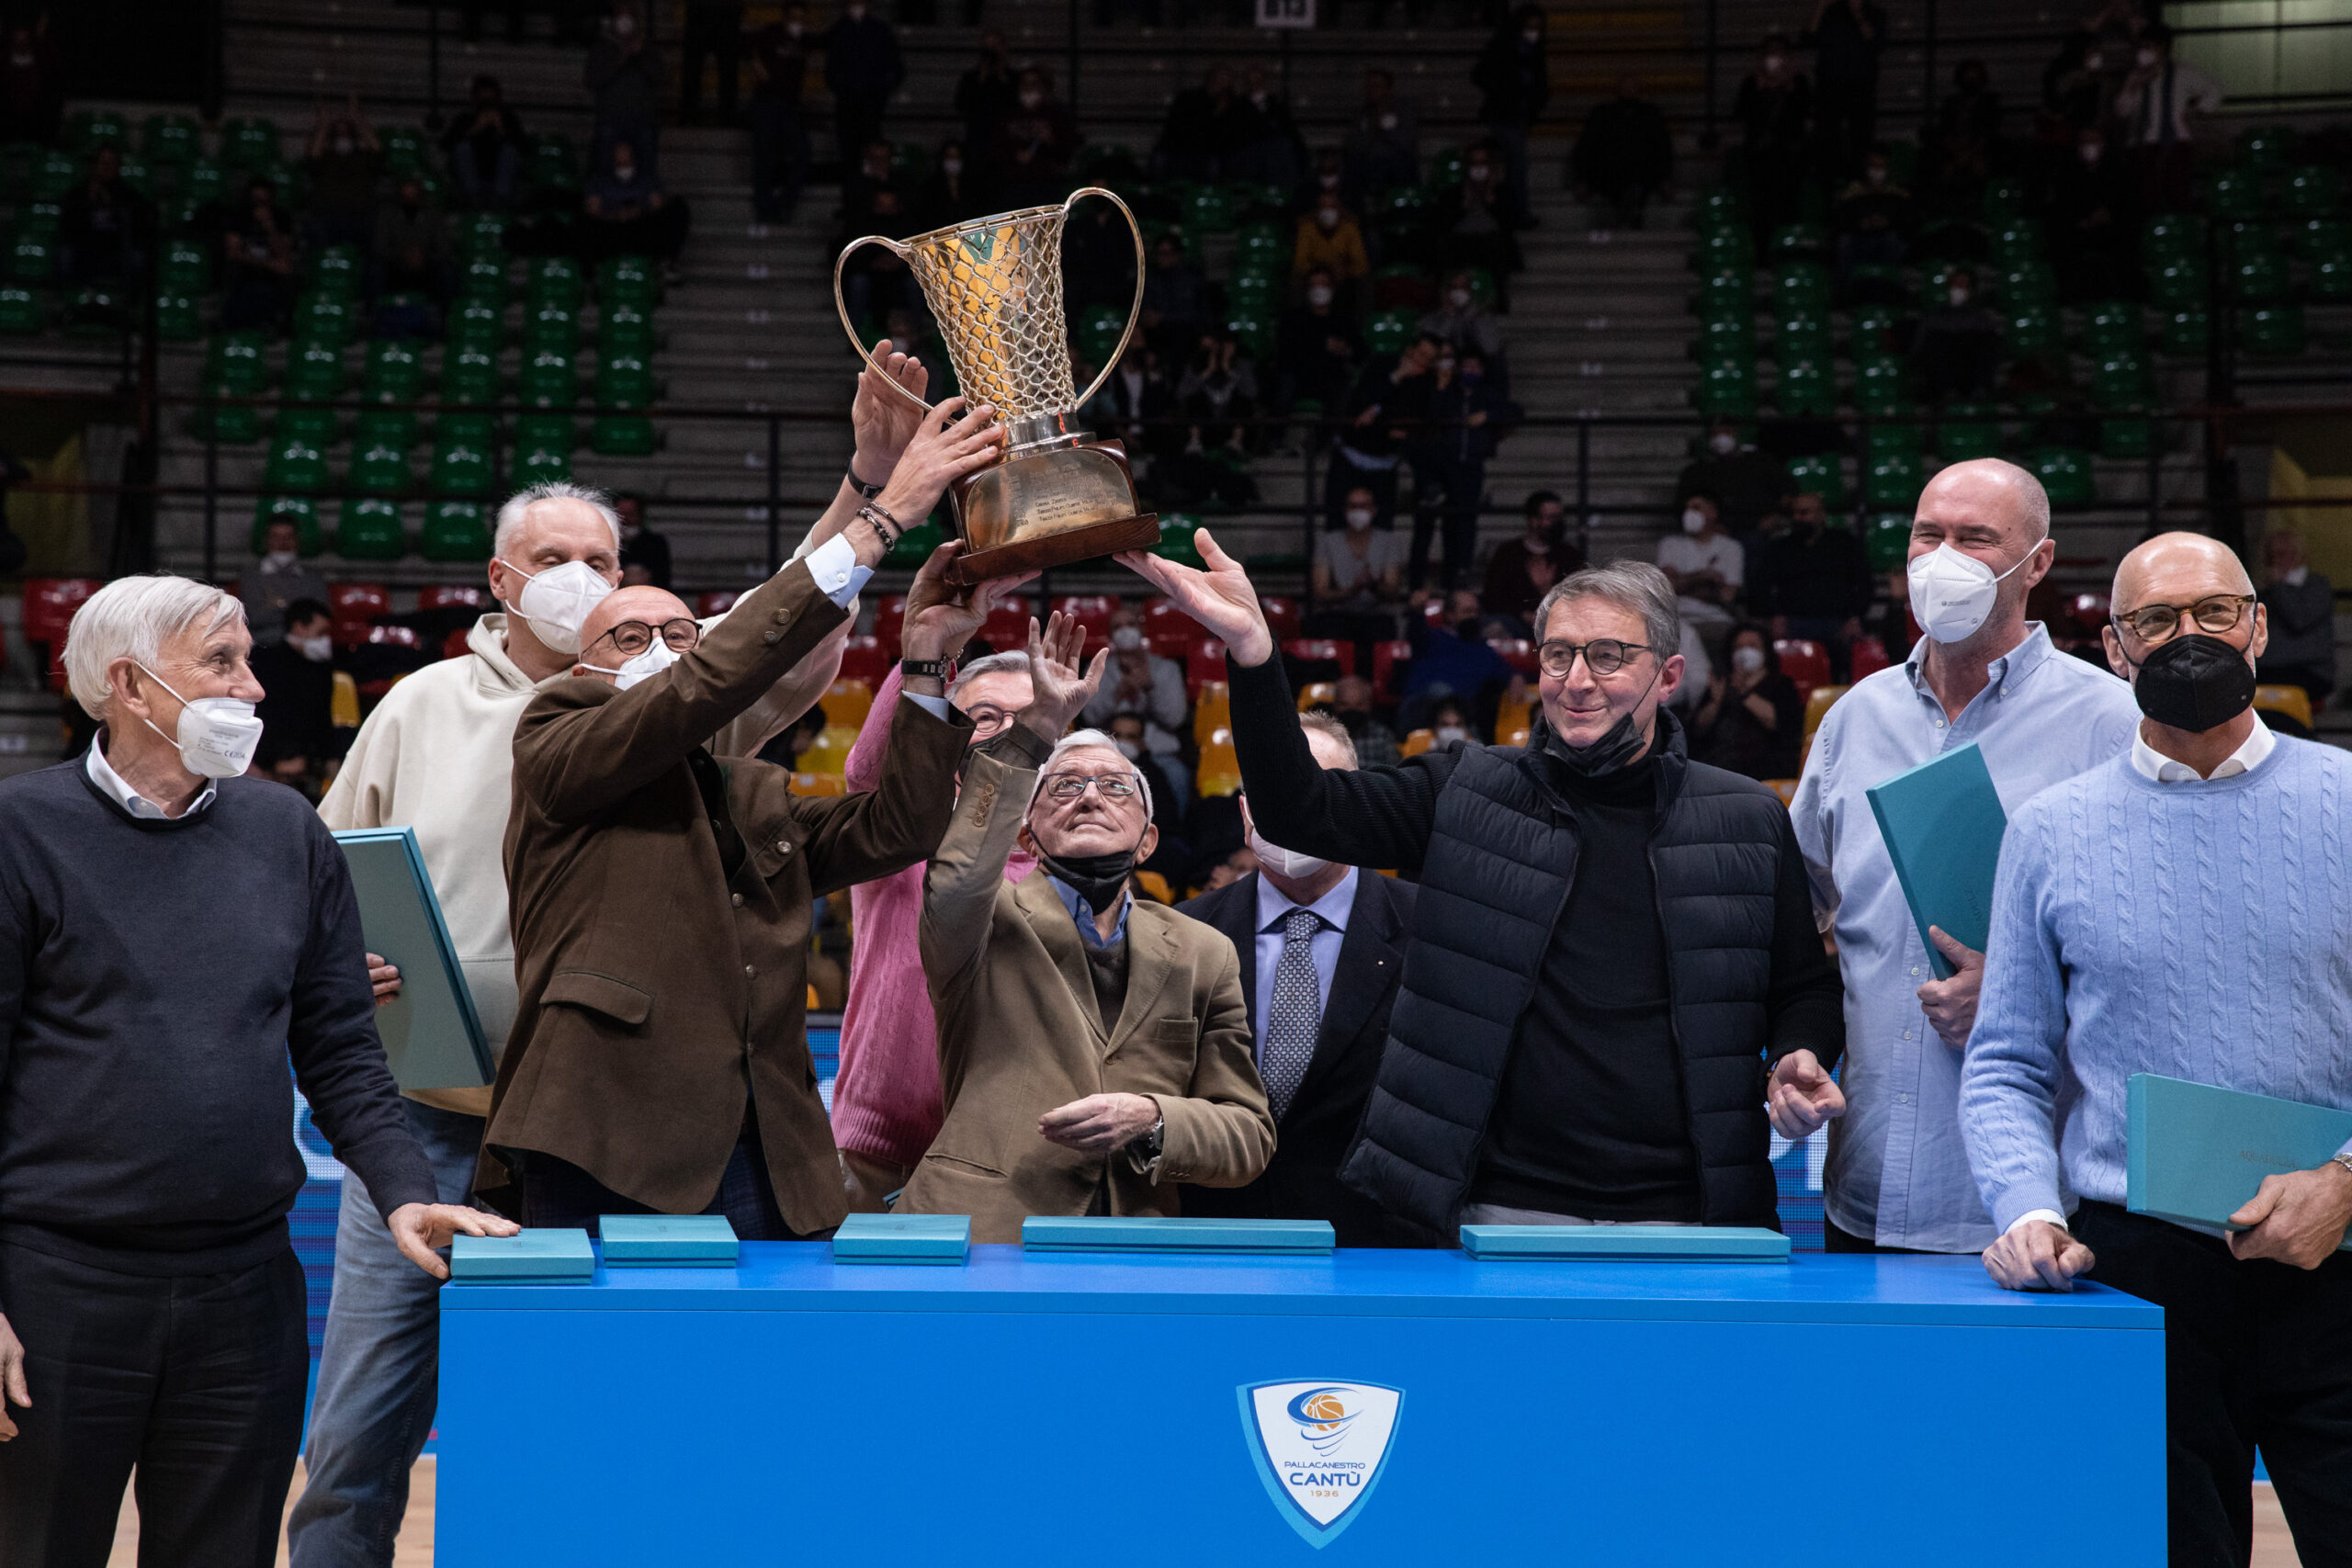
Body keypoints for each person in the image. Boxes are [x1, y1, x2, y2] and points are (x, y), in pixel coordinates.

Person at [289, 356, 934, 1568]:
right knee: (362, 1425)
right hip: (422, 1118)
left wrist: (866, 484)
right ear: (500, 579)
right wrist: (334, 960)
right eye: (554, 559)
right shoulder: (420, 702)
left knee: (591, 1408)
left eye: (604, 555)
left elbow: (782, 628)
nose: (584, 579)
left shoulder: (685, 697)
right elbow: (313, 877)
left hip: (600, 1130)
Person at [0, 575, 514, 1567]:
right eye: (223, 663)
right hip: (58, 1287)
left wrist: (406, 1190)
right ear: (133, 686)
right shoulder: (20, 831)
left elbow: (340, 1046)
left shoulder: (286, 831)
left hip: (245, 1289)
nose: (256, 688)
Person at [1128, 537, 1845, 1235]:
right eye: (1558, 654)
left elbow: (1802, 986)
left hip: (1696, 1211)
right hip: (1500, 1211)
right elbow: (1299, 812)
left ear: (1669, 674)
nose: (1577, 678)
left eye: (1608, 655)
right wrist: (1255, 654)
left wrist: (1798, 1051)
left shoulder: (1747, 816)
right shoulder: (1467, 791)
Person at [480, 400, 1010, 1235]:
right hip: (603, 1131)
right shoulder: (552, 736)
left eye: (682, 633)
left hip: (766, 1144)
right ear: (582, 667)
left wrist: (929, 656)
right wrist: (876, 524)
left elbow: (901, 829)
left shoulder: (752, 789)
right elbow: (701, 688)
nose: (660, 647)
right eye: (628, 637)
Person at [1962, 530, 2352, 1568]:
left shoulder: (2347, 802)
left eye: (2212, 612)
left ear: (2258, 628)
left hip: (2339, 1255)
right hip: (2136, 1272)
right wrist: (2026, 1208)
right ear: (2112, 651)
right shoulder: (2048, 831)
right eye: (2153, 621)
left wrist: (2347, 1183)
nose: (2188, 637)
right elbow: (2004, 1061)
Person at [1789, 460, 2139, 1254]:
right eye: (1927, 535)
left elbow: (2171, 962)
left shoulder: (2112, 727)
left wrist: (2025, 1004)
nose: (1941, 559)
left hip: (2042, 1213)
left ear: (2037, 563)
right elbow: (1800, 923)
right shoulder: (1852, 721)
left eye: (1975, 539)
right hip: (1865, 1197)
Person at [898, 616, 1274, 1242]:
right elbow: (962, 872)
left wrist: (1153, 1116)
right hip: (986, 1236)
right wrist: (1040, 728)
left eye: (1117, 786)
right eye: (1066, 786)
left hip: (1135, 1249)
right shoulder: (980, 921)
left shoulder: (1205, 953)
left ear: (1149, 839)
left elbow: (1248, 1133)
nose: (1090, 796)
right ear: (1026, 833)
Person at [1176, 713, 1418, 1246]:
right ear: (1245, 812)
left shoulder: (1429, 930)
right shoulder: (1182, 930)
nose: (1290, 805)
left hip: (1377, 1246)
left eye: (1314, 787)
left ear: (1358, 804)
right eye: (1271, 786)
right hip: (1213, 1236)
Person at [831, 651, 1038, 1211]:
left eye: (1032, 718)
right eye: (986, 717)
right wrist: (932, 651)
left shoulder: (1075, 863)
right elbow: (867, 773)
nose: (1007, 736)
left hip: (1014, 1157)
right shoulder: (901, 838)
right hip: (878, 1150)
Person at [1413, 346, 1515, 592]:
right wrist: (1441, 386)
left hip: (1471, 466)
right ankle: (1438, 576)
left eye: (1475, 367)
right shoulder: (1449, 392)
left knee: (1465, 520)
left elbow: (1513, 411)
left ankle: (1461, 571)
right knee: (1444, 521)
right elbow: (1431, 416)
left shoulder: (1487, 394)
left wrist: (1487, 416)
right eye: (1466, 365)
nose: (1470, 370)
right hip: (1442, 465)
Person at [1751, 491, 1874, 676]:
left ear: (1820, 514)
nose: (1798, 518)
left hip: (1837, 621)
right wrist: (1775, 615)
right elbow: (1760, 585)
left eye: (1805, 513)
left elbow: (1864, 582)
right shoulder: (1780, 548)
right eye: (1795, 513)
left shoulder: (1843, 543)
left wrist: (1855, 616)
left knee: (1847, 657)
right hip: (1792, 621)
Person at [2114, 23, 2221, 216]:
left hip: (2176, 143)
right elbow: (2121, 111)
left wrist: (2195, 111)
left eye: (2148, 46)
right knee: (2145, 201)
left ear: (2162, 47)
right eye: (2141, 47)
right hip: (2142, 145)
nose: (2143, 51)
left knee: (2178, 196)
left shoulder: (2183, 72)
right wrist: (2133, 85)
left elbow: (2214, 89)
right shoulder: (2135, 76)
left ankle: (2180, 237)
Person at [1687, 622, 1802, 781]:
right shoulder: (1721, 685)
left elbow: (1780, 724)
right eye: (1738, 647)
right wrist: (1715, 702)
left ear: (1766, 652)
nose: (1745, 651)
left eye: (1752, 646)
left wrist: (1744, 693)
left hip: (1766, 769)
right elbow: (1698, 729)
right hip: (1719, 767)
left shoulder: (1782, 685)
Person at [251, 597, 340, 788]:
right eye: (321, 633)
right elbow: (262, 717)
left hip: (306, 766)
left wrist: (330, 763)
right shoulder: (264, 663)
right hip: (264, 765)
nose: (326, 640)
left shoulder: (323, 669)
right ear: (299, 627)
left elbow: (323, 720)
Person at [2042, 127, 2137, 304]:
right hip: (2076, 232)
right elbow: (2059, 208)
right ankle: (2072, 295)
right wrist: (2083, 221)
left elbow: (2128, 205)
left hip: (2110, 232)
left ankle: (2120, 297)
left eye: (2094, 141)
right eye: (2085, 142)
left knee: (2125, 242)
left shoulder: (2118, 172)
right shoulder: (2066, 172)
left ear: (2103, 145)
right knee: (2060, 240)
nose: (2089, 146)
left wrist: (2109, 215)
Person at [1080, 603, 1187, 755]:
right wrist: (1117, 694)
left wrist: (1150, 688)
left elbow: (1175, 719)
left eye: (1131, 624)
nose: (1125, 630)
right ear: (1110, 635)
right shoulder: (1097, 668)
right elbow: (1090, 718)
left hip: (1159, 752)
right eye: (1117, 626)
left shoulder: (1167, 669)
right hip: (1108, 753)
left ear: (1142, 629)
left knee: (1176, 776)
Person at [1473, 6, 1548, 221]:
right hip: (1503, 115)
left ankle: (1511, 210)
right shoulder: (1502, 47)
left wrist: (1536, 105)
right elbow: (1480, 74)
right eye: (1529, 27)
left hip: (1521, 117)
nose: (1532, 32)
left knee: (1515, 163)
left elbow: (1540, 86)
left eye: (1537, 28)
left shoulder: (1536, 52)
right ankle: (1518, 211)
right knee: (1517, 163)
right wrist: (1502, 91)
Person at [1571, 75, 1674, 230]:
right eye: (1625, 87)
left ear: (1640, 91)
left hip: (1643, 172)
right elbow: (1586, 147)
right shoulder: (1602, 113)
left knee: (1637, 183)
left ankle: (1627, 213)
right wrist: (1582, 180)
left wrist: (1666, 178)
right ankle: (1629, 213)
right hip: (1609, 171)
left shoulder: (1651, 114)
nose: (1628, 91)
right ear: (1616, 90)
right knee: (1620, 181)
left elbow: (1663, 148)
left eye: (1633, 87)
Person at [1736, 36, 1814, 236]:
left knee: (1789, 205)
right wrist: (1759, 90)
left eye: (1779, 52)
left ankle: (1787, 253)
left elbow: (1808, 111)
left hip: (1791, 155)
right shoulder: (1751, 84)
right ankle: (1762, 255)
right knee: (1761, 207)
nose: (1774, 57)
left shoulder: (1799, 83)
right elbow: (1739, 114)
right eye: (1770, 52)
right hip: (1760, 156)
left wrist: (1790, 88)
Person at [823, 0, 905, 186]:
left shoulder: (879, 30)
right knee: (849, 150)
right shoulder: (838, 30)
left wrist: (881, 89)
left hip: (872, 104)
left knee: (872, 147)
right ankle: (853, 191)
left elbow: (896, 68)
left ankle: (873, 189)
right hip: (847, 104)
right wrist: (843, 90)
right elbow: (831, 71)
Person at [1803, 0, 1886, 180]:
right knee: (1827, 139)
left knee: (1861, 140)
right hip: (1830, 86)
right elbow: (1808, 38)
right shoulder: (1832, 13)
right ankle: (1830, 185)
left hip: (1861, 87)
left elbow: (1876, 45)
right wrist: (1821, 7)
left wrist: (1858, 14)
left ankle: (1858, 185)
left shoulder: (1875, 14)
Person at [745, 4, 812, 223]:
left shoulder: (802, 39)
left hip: (791, 106)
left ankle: (784, 205)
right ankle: (764, 211)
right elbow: (753, 55)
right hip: (767, 102)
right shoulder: (770, 34)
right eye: (793, 16)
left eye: (800, 17)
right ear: (785, 16)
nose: (796, 21)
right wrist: (764, 76)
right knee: (764, 157)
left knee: (802, 155)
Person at [579, 139, 690, 269]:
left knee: (677, 208)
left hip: (640, 230)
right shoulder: (598, 181)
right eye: (619, 162)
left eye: (627, 160)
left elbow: (658, 207)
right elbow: (593, 210)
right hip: (611, 230)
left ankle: (666, 265)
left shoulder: (647, 180)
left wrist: (638, 212)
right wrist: (617, 215)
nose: (623, 165)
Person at [1436, 141, 1524, 305]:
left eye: (1483, 163)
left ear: (1490, 166)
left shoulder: (1502, 192)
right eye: (1474, 163)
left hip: (1490, 241)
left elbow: (1512, 223)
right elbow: (1443, 223)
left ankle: (1498, 300)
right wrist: (1464, 204)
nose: (1478, 168)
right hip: (1460, 241)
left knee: (1498, 247)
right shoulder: (1454, 192)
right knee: (1442, 248)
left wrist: (1491, 200)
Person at [2256, 526, 2335, 708]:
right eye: (2272, 555)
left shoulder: (2317, 586)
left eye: (2283, 554)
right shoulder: (2265, 592)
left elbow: (2299, 620)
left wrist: (2279, 587)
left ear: (2299, 555)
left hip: (2308, 670)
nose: (2277, 560)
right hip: (2269, 668)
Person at [585, 1, 663, 181]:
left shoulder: (647, 47)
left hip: (643, 121)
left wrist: (641, 55)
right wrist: (620, 60)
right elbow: (591, 80)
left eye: (628, 15)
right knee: (605, 172)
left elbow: (660, 77)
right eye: (621, 14)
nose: (625, 19)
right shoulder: (602, 47)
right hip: (610, 121)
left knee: (646, 172)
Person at [1675, 419, 1792, 538]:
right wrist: (1711, 526)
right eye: (1715, 434)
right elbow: (1683, 506)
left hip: (1761, 533)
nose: (1721, 437)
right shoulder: (1695, 472)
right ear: (1708, 439)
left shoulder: (1763, 462)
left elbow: (1788, 494)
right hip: (1714, 535)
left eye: (1727, 432)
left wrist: (1776, 516)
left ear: (1736, 434)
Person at [58, 147, 151, 299]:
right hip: (86, 248)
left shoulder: (128, 194)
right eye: (103, 162)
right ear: (95, 166)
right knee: (65, 254)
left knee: (138, 257)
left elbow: (139, 226)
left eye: (111, 163)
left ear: (118, 167)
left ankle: (130, 306)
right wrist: (89, 202)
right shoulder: (78, 193)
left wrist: (114, 205)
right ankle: (66, 302)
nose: (106, 167)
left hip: (117, 250)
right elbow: (68, 227)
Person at [1479, 491, 1580, 628]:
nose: (1556, 524)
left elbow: (1579, 599)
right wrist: (1522, 614)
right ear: (1533, 520)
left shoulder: (1570, 555)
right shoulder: (1508, 553)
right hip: (1517, 623)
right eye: (1551, 518)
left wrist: (1547, 591)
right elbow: (1492, 598)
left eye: (1558, 518)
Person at [303, 95, 384, 256]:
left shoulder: (363, 156)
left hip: (360, 217)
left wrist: (356, 117)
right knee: (315, 230)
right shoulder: (325, 157)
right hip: (327, 216)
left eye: (346, 132)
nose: (343, 136)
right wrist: (324, 122)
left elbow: (378, 150)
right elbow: (312, 156)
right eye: (339, 133)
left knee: (376, 245)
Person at [1276, 265, 1361, 415]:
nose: (1319, 290)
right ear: (1307, 290)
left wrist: (1346, 350)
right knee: (1283, 384)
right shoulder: (1294, 318)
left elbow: (1361, 350)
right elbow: (1286, 349)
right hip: (1300, 376)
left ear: (1333, 288)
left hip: (1332, 376)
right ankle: (1277, 436)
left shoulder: (1344, 319)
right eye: (1314, 285)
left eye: (1323, 285)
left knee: (1348, 388)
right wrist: (1321, 345)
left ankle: (1335, 436)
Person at [241, 513, 333, 649]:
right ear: (267, 540)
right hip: (264, 646)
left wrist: (278, 604)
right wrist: (297, 613)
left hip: (306, 645)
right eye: (276, 537)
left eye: (289, 537)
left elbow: (320, 617)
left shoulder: (314, 577)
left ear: (297, 540)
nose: (283, 543)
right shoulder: (251, 577)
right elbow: (254, 618)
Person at [370, 177, 451, 330]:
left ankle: (444, 323)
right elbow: (379, 247)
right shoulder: (387, 216)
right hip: (396, 268)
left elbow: (444, 249)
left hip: (426, 267)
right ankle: (375, 320)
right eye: (406, 196)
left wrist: (423, 256)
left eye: (413, 195)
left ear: (421, 197)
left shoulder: (434, 216)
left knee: (446, 273)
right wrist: (402, 256)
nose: (410, 200)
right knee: (376, 270)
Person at [1656, 491, 1743, 631]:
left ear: (1712, 513)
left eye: (1696, 508)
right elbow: (1667, 588)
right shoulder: (1670, 544)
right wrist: (1703, 577)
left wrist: (1682, 583)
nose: (1689, 513)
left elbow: (1727, 595)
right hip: (1677, 620)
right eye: (1687, 509)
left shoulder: (1731, 547)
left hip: (1716, 619)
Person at [1912, 265, 2001, 401]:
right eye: (1955, 283)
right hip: (1942, 376)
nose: (1959, 287)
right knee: (1936, 340)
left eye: (1963, 284)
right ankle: (1946, 391)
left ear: (1971, 290)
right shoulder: (1933, 316)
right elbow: (1919, 348)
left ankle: (1980, 390)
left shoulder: (1981, 317)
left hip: (1970, 373)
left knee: (1985, 341)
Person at [221, 175, 297, 333]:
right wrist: (267, 264)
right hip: (247, 267)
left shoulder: (281, 217)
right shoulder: (239, 216)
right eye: (256, 200)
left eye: (264, 201)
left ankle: (277, 323)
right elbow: (233, 252)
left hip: (272, 272)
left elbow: (285, 254)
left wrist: (270, 227)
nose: (259, 205)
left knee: (286, 276)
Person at [994, 66, 1076, 209]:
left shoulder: (1055, 113)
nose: (1029, 88)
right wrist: (1015, 155)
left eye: (1034, 83)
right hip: (1013, 185)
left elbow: (1066, 153)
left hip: (1044, 186)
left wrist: (1050, 140)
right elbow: (996, 147)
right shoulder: (1008, 113)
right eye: (1025, 83)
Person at [1928, 60, 2000, 215]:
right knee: (1944, 171)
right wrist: (1957, 154)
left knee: (1980, 168)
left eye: (1975, 78)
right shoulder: (1951, 103)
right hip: (1954, 152)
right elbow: (1945, 132)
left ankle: (1982, 213)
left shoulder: (1989, 103)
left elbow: (1988, 133)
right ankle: (1944, 213)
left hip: (1978, 153)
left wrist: (1970, 154)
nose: (1971, 82)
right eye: (1967, 78)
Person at [440, 75, 524, 209]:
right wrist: (475, 129)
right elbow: (445, 145)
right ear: (474, 98)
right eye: (482, 97)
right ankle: (474, 197)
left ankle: (499, 198)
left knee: (510, 150)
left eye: (491, 97)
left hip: (500, 180)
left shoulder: (508, 119)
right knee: (462, 148)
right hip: (471, 180)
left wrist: (501, 129)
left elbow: (524, 147)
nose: (487, 103)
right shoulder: (465, 118)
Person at [1341, 69, 1419, 209]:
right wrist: (1370, 130)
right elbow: (1352, 145)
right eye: (1369, 86)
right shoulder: (1360, 115)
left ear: (1388, 90)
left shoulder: (1403, 112)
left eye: (1377, 86)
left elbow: (1406, 144)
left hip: (1395, 168)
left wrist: (1383, 131)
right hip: (1367, 166)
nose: (1371, 90)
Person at [954, 33, 1018, 189]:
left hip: (1006, 142)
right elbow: (961, 104)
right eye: (987, 48)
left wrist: (1002, 75)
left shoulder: (1012, 78)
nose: (991, 53)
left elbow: (1017, 106)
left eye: (995, 47)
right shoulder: (971, 78)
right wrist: (981, 77)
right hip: (977, 141)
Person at [1139, 231, 1212, 365]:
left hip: (1186, 334)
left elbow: (1196, 312)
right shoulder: (1150, 278)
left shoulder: (1192, 278)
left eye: (1167, 254)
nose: (1163, 258)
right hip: (1157, 335)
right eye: (1159, 253)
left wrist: (1163, 317)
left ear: (1178, 255)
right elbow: (1145, 310)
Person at [1418, 268, 1506, 367]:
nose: (1459, 292)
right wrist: (1449, 316)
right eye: (1454, 287)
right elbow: (1433, 350)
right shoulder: (1431, 319)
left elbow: (1491, 349)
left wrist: (1472, 315)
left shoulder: (1483, 317)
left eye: (1464, 287)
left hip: (1475, 372)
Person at [679, 0, 745, 126]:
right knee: (692, 71)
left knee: (728, 71)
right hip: (700, 13)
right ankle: (689, 116)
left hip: (727, 13)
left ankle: (728, 118)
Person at [1292, 190, 1370, 295]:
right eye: (1323, 206)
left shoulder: (1350, 228)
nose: (1327, 210)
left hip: (1344, 278)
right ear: (1317, 210)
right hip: (1315, 277)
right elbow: (1300, 263)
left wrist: (1345, 272)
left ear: (1339, 209)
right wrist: (1319, 272)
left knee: (1364, 281)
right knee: (1295, 280)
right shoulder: (1307, 228)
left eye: (1332, 206)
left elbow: (1361, 265)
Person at [1325, 673, 1401, 768]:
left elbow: (1393, 774)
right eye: (1344, 704)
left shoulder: (1383, 736)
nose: (1352, 711)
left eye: (1359, 705)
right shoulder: (1324, 736)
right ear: (1335, 705)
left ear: (1369, 705)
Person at [615, 491, 672, 590]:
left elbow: (663, 576)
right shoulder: (607, 542)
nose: (626, 519)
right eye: (622, 514)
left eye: (631, 514)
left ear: (640, 514)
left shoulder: (655, 542)